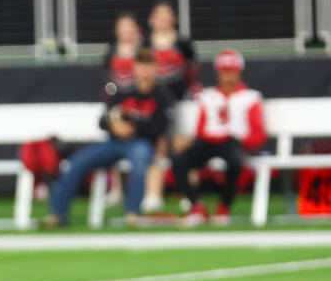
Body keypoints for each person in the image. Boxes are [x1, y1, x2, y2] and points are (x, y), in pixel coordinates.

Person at [44, 47, 170, 227]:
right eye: (141, 65)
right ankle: (57, 214)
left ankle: (133, 212)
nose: (145, 70)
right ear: (134, 67)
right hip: (114, 143)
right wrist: (115, 126)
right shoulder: (124, 92)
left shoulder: (161, 95)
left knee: (140, 159)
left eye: (148, 65)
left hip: (141, 143)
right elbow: (103, 121)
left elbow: (160, 126)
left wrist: (132, 128)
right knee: (76, 161)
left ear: (154, 68)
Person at [173, 48, 266, 227]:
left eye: (231, 71)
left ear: (239, 72)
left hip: (233, 141)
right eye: (224, 71)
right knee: (179, 161)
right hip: (208, 141)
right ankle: (197, 206)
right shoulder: (208, 96)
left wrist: (244, 142)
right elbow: (201, 129)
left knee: (234, 162)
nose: (227, 76)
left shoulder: (250, 97)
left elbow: (258, 133)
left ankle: (224, 206)